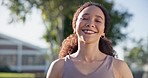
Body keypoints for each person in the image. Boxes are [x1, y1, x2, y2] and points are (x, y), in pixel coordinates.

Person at [46, 2, 133, 78]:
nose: (90, 24)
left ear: (103, 31)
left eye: (98, 20)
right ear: (75, 26)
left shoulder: (119, 67)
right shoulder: (58, 66)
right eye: (85, 18)